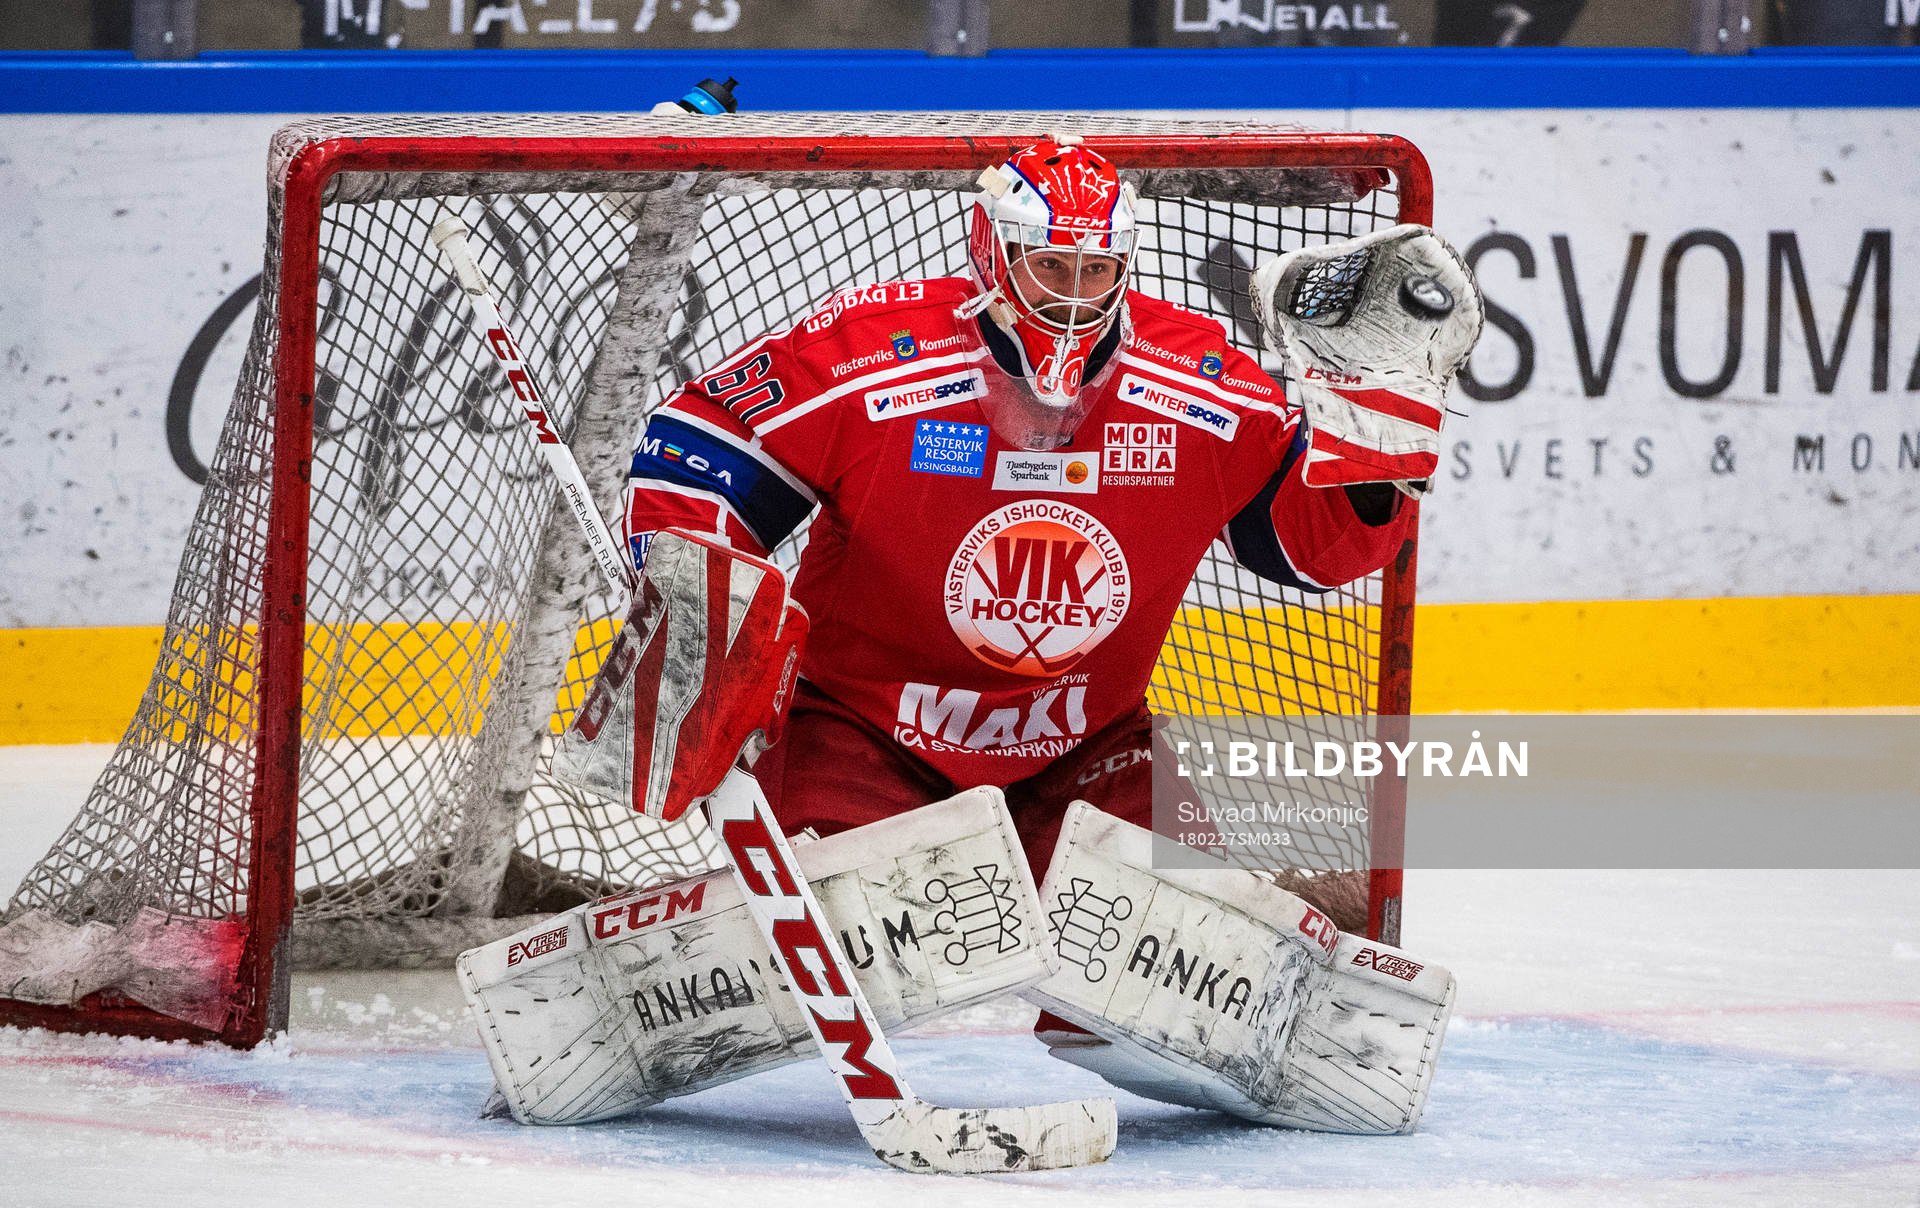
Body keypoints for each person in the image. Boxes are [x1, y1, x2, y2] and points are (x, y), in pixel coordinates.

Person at [621, 139, 1414, 921]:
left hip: (1085, 751)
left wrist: (1375, 439)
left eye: (1097, 270)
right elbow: (696, 451)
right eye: (1052, 267)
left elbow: (1310, 549)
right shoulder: (876, 355)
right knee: (870, 941)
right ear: (994, 252)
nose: (1075, 297)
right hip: (860, 736)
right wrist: (697, 604)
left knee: (1179, 959)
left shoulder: (1200, 386)